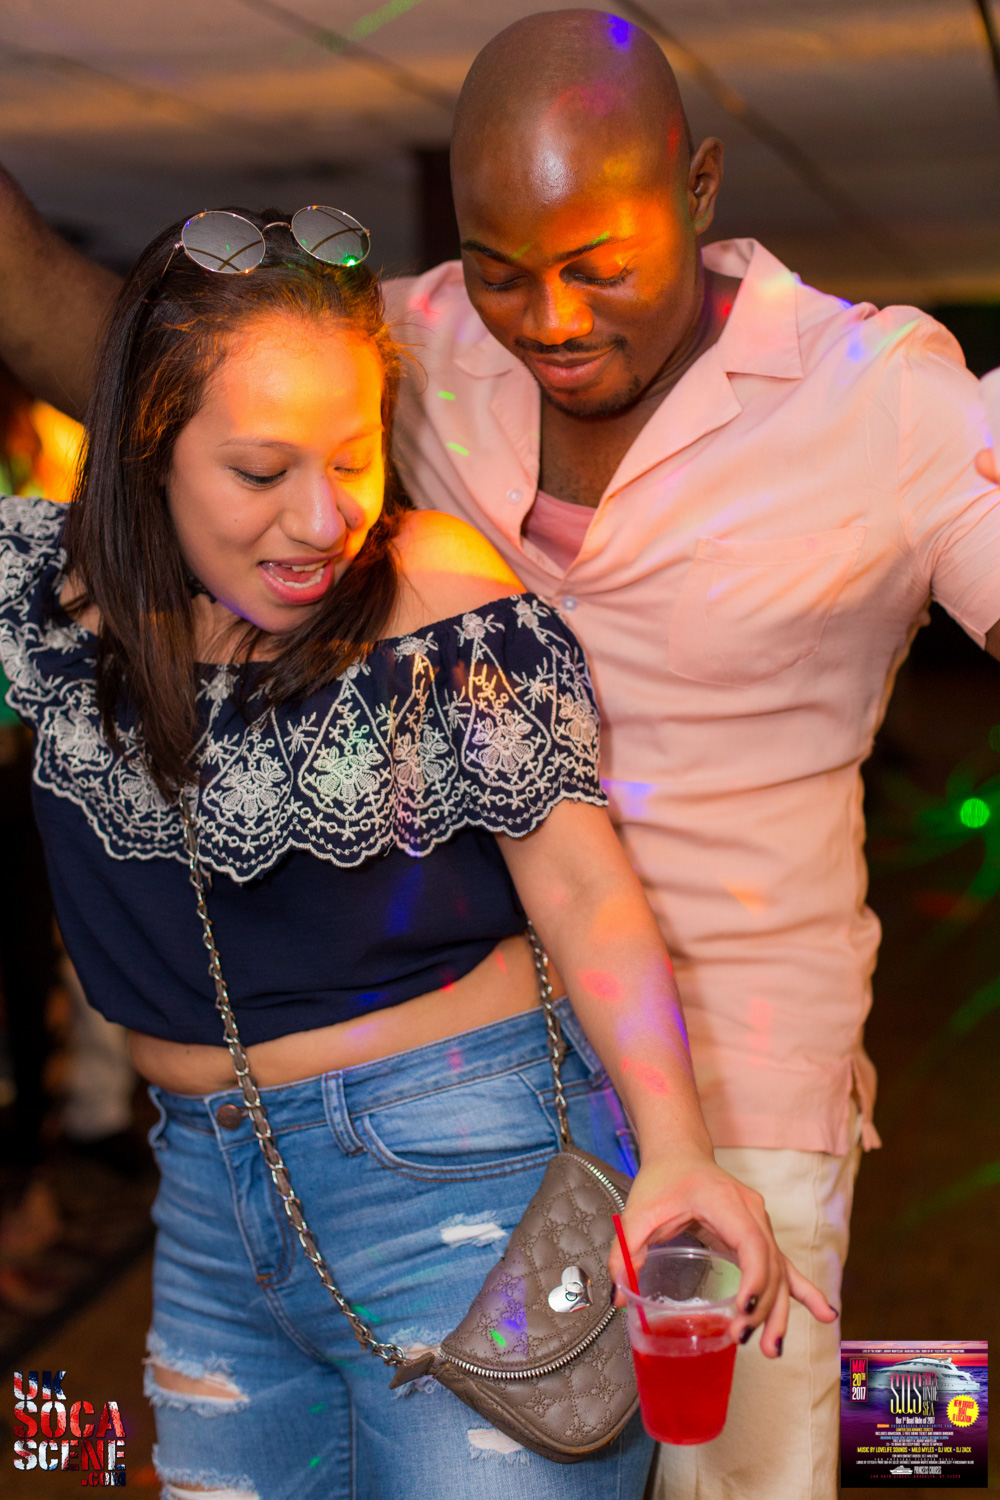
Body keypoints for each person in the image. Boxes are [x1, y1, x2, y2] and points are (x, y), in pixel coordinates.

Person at [0, 13, 995, 1498]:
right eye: (503, 265)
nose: (550, 316)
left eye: (599, 266)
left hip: (739, 1073)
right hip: (488, 1064)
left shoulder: (884, 391)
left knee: (742, 1477)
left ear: (701, 190)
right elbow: (141, 354)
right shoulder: (422, 349)